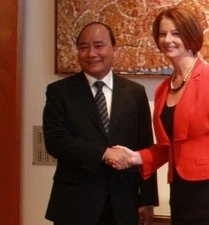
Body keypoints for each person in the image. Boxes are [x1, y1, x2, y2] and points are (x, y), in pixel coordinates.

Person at [111, 6, 209, 225]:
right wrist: (135, 157)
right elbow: (167, 146)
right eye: (162, 34)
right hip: (180, 192)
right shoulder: (163, 89)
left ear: (190, 36)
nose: (167, 39)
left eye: (176, 33)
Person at [43, 21, 158, 225]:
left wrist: (148, 200)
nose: (91, 53)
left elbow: (146, 149)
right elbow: (56, 142)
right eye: (83, 47)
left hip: (123, 204)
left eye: (99, 45)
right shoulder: (60, 92)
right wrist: (103, 153)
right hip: (74, 204)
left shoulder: (135, 93)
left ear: (114, 49)